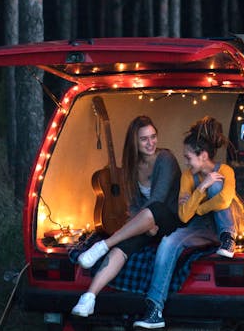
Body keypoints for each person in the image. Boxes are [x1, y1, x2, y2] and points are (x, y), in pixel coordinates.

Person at [133, 115, 238, 331]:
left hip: (222, 223)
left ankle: (228, 238)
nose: (186, 162)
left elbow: (224, 201)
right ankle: (154, 310)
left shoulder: (225, 170)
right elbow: (183, 216)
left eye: (189, 158)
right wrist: (201, 189)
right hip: (199, 227)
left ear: (203, 155)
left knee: (217, 186)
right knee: (168, 242)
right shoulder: (188, 178)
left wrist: (197, 204)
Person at [71, 115, 181, 318]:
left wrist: (146, 221)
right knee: (123, 248)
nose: (151, 143)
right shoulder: (131, 166)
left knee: (153, 210)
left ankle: (103, 245)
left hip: (169, 220)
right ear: (134, 142)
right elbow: (132, 205)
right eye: (144, 139)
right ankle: (89, 298)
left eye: (153, 137)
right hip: (146, 224)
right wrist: (143, 225)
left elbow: (159, 199)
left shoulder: (166, 159)